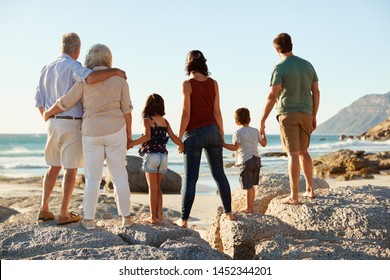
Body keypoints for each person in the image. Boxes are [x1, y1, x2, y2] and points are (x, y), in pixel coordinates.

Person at [35, 33, 127, 225]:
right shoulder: (74, 66)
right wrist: (115, 71)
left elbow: (38, 100)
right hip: (72, 121)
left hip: (52, 122)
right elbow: (91, 78)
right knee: (71, 169)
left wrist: (47, 115)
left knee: (53, 166)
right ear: (76, 50)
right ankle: (63, 212)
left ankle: (44, 208)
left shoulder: (46, 68)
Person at [174, 50, 234, 228]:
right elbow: (217, 111)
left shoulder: (187, 84)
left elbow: (186, 112)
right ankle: (229, 214)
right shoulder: (213, 83)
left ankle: (183, 220)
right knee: (219, 175)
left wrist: (179, 138)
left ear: (188, 64)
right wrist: (221, 133)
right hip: (213, 132)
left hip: (194, 134)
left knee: (191, 179)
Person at [259, 33, 320, 205]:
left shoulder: (279, 67)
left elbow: (272, 96)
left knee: (293, 154)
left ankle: (294, 196)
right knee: (304, 152)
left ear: (276, 48)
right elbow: (316, 92)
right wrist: (314, 115)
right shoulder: (307, 65)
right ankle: (310, 190)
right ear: (291, 45)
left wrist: (262, 120)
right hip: (307, 113)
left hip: (288, 114)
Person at [129, 93, 183, 224]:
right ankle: (160, 216)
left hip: (152, 156)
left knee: (152, 188)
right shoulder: (165, 121)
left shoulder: (147, 120)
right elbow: (174, 137)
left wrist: (131, 143)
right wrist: (182, 145)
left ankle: (152, 218)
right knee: (158, 188)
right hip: (163, 156)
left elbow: (147, 137)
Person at [223, 108, 267, 213]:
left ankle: (249, 208)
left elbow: (235, 147)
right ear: (250, 119)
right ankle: (250, 207)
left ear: (236, 122)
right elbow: (264, 143)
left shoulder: (238, 132)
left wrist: (222, 144)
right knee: (251, 186)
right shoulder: (256, 131)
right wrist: (263, 131)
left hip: (246, 160)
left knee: (248, 186)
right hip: (256, 160)